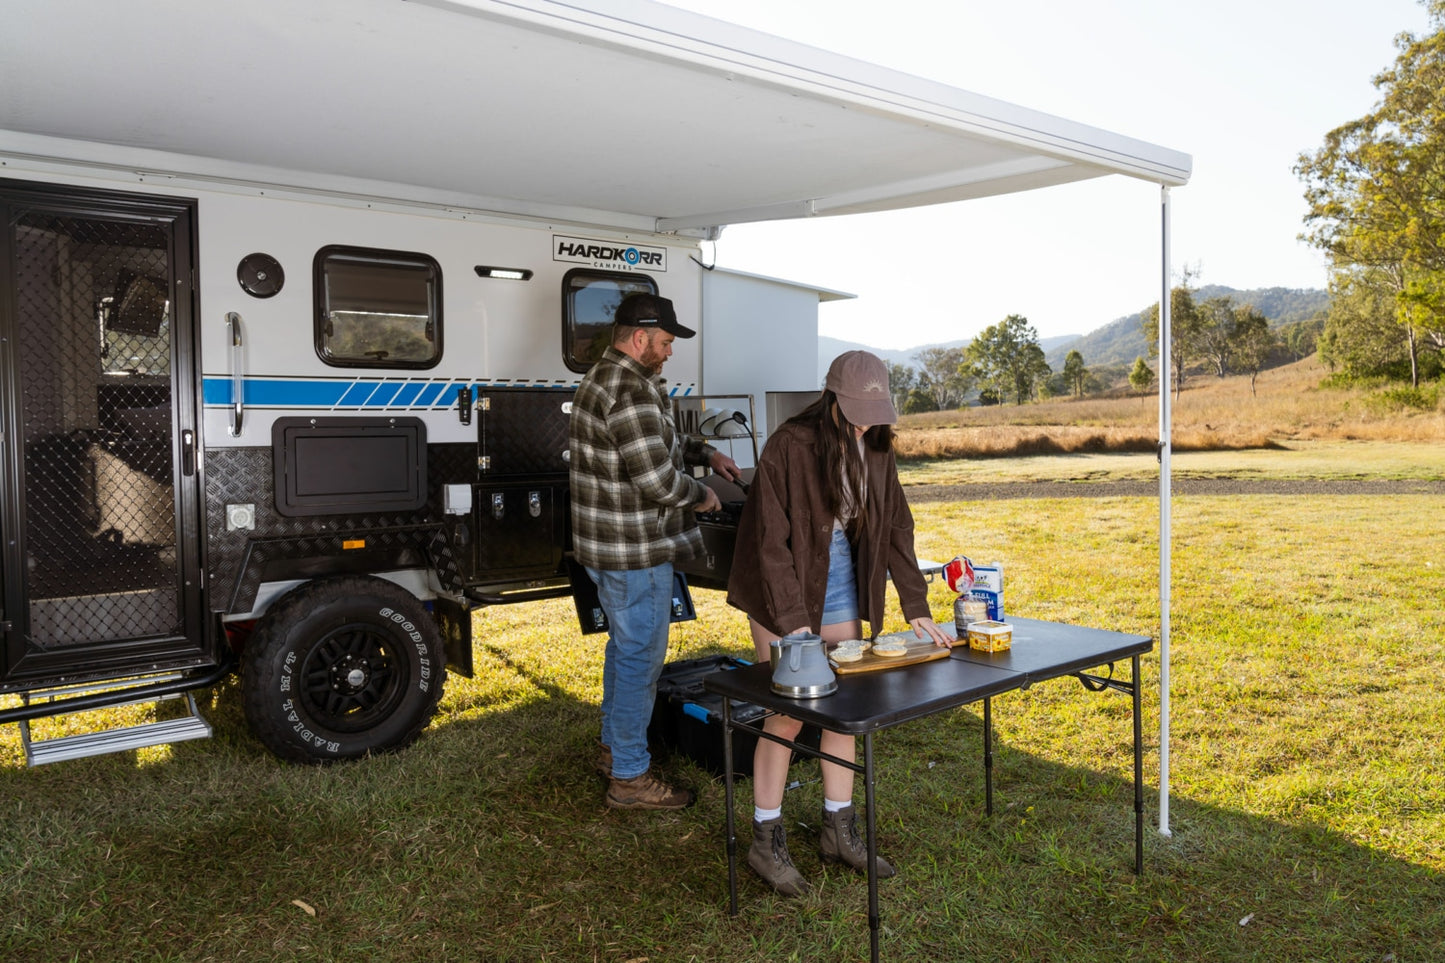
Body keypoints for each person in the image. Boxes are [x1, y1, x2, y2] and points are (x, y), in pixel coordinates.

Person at [726, 349, 951, 895]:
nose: (868, 418)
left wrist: (916, 607)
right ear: (832, 396)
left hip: (842, 574)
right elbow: (769, 543)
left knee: (843, 707)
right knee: (789, 713)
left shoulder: (877, 444)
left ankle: (839, 829)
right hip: (784, 579)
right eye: (859, 407)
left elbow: (896, 526)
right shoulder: (789, 444)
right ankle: (764, 840)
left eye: (876, 408)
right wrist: (795, 623)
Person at [569, 291, 741, 810]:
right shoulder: (630, 390)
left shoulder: (613, 379)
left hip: (608, 546)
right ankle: (629, 776)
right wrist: (705, 496)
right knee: (641, 657)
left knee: (625, 648)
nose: (669, 352)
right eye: (666, 342)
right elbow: (658, 480)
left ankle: (613, 748)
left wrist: (705, 451)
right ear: (640, 337)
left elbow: (653, 440)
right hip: (635, 550)